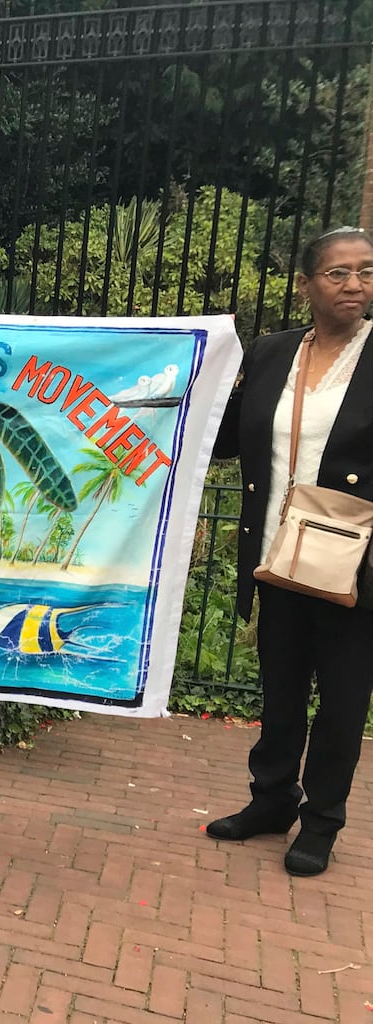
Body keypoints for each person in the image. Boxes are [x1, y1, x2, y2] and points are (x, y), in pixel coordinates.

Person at [206, 225, 373, 876]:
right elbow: (226, 438)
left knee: (341, 702)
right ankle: (272, 800)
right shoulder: (274, 354)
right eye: (337, 273)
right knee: (279, 693)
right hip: (276, 554)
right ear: (306, 285)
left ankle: (322, 822)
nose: (354, 283)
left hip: (354, 565)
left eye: (364, 271)